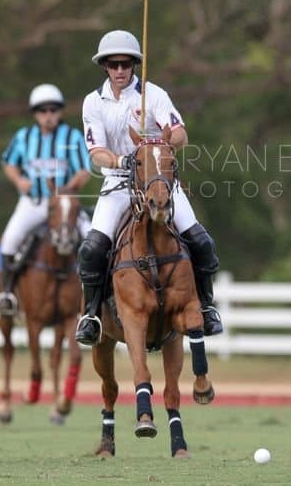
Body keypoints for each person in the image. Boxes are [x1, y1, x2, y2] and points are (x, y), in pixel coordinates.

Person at [73, 29, 224, 346]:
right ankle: (90, 315)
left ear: (134, 65)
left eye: (125, 64)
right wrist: (122, 161)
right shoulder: (93, 102)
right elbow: (95, 151)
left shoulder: (152, 95)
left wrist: (162, 140)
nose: (119, 70)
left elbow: (180, 135)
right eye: (113, 64)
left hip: (158, 182)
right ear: (104, 66)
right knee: (92, 249)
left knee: (202, 241)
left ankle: (207, 307)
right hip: (117, 184)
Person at [0, 83, 92, 316]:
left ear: (59, 112)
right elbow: (8, 162)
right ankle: (8, 292)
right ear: (35, 114)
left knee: (92, 240)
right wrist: (18, 180)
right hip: (33, 203)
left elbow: (84, 170)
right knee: (9, 241)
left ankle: (97, 297)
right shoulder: (24, 137)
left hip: (63, 206)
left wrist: (69, 188)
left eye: (53, 110)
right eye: (43, 110)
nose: (48, 115)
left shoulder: (73, 137)